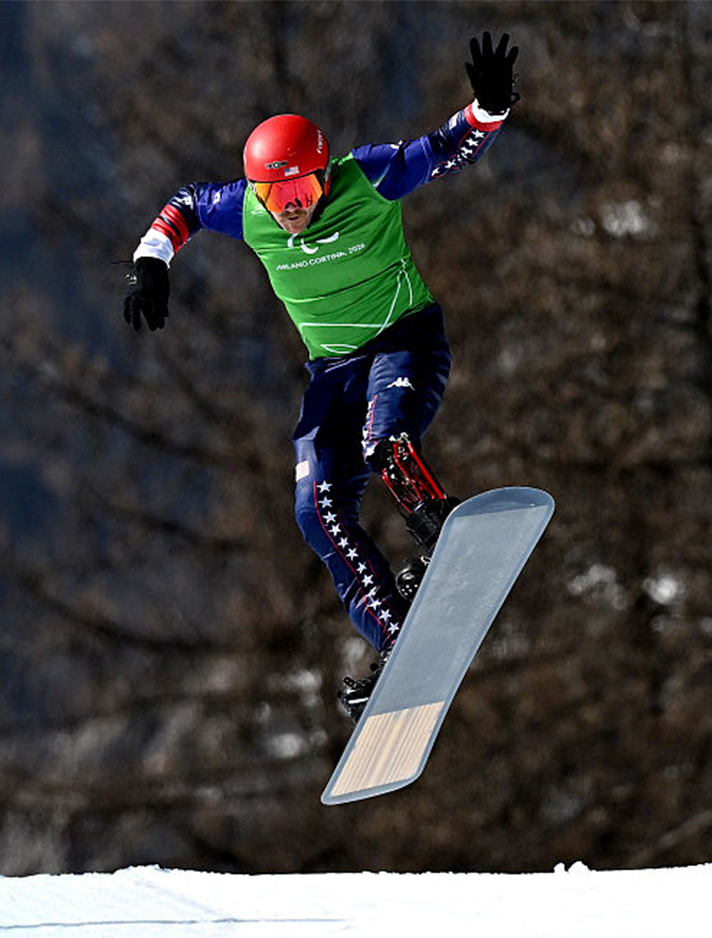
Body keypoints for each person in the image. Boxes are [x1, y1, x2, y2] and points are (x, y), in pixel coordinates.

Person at [123, 32, 520, 721]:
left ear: (324, 173)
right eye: (277, 197)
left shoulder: (366, 177)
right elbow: (184, 204)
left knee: (385, 442)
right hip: (333, 372)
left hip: (403, 341)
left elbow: (446, 149)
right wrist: (151, 263)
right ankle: (397, 636)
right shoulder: (249, 212)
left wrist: (488, 108)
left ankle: (440, 532)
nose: (292, 208)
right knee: (319, 511)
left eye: (303, 189)